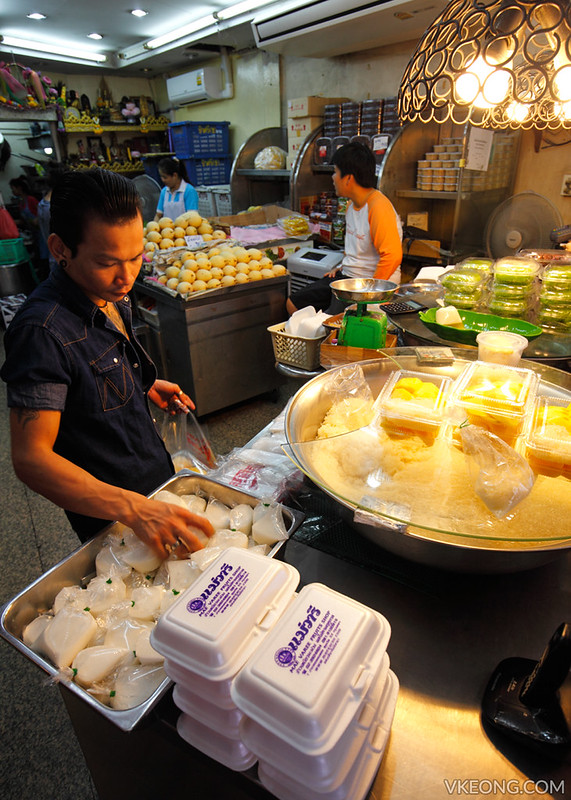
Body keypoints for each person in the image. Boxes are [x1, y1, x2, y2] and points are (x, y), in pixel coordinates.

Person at [1, 168, 213, 560]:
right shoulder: (41, 332)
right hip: (113, 516)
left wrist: (141, 384)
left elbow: (90, 367)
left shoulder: (108, 293)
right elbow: (31, 459)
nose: (126, 276)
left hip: (151, 481)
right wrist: (134, 509)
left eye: (135, 257)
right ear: (60, 248)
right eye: (107, 262)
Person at [286, 142, 403, 315]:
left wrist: (369, 293)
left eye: (335, 172)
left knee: (331, 324)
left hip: (369, 286)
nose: (333, 178)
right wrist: (342, 266)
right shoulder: (350, 205)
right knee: (294, 304)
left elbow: (392, 256)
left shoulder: (378, 206)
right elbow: (356, 250)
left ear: (348, 178)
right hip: (347, 279)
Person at [154, 157, 198, 222]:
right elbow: (158, 215)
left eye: (165, 177)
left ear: (175, 175)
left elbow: (192, 218)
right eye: (161, 177)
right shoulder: (164, 191)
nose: (163, 180)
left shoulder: (189, 191)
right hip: (167, 228)